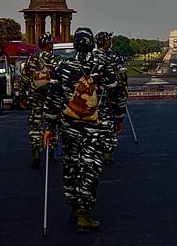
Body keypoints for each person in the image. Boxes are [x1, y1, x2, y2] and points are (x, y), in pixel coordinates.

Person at [44, 28, 126, 233]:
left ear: (74, 45)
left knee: (70, 164)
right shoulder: (102, 66)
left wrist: (49, 126)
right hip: (94, 126)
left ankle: (73, 204)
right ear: (92, 44)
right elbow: (116, 94)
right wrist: (119, 117)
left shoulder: (63, 66)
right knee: (89, 166)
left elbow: (53, 98)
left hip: (68, 124)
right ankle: (84, 211)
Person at [20, 32, 59, 168]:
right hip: (51, 98)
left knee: (35, 124)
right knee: (51, 124)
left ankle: (36, 152)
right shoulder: (56, 60)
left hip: (35, 96)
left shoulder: (32, 60)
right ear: (49, 45)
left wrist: (21, 96)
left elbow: (24, 79)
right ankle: (51, 151)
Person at [94, 31, 127, 164]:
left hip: (95, 94)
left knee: (96, 121)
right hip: (112, 93)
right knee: (113, 121)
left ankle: (97, 147)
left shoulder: (92, 56)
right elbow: (122, 75)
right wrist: (124, 89)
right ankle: (108, 149)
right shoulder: (115, 56)